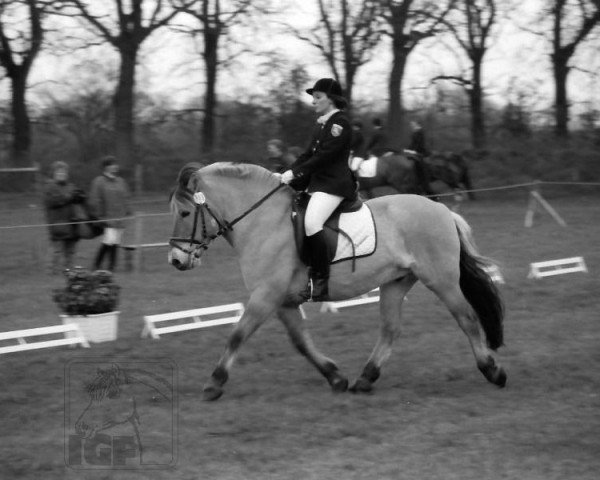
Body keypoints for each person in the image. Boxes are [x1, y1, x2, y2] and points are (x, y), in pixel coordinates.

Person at [279, 78, 355, 301]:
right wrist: (287, 173)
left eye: (318, 97)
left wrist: (296, 174)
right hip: (318, 185)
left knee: (312, 222)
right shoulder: (322, 124)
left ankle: (321, 281)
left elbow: (324, 157)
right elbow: (307, 155)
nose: (313, 101)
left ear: (331, 100)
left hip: (333, 185)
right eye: (313, 97)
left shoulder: (340, 124)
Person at [88, 156, 131, 271]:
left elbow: (126, 197)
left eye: (115, 164)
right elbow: (95, 199)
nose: (115, 166)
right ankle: (97, 264)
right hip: (107, 217)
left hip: (120, 217)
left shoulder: (120, 181)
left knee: (115, 242)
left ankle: (112, 266)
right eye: (112, 164)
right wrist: (99, 216)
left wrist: (128, 210)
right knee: (109, 241)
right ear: (106, 167)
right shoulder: (99, 182)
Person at [43, 161, 86, 274]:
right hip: (57, 223)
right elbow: (53, 201)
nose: (61, 173)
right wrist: (69, 197)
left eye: (64, 171)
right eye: (59, 171)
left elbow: (75, 200)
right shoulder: (50, 187)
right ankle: (51, 272)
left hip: (72, 222)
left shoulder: (71, 186)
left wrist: (80, 197)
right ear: (54, 173)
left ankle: (69, 272)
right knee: (56, 250)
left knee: (70, 251)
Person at [405, 119, 434, 195]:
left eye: (413, 124)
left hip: (421, 152)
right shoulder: (415, 132)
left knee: (420, 166)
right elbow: (412, 144)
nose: (411, 126)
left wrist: (414, 151)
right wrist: (407, 150)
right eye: (411, 125)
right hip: (416, 152)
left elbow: (419, 144)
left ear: (417, 124)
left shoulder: (420, 132)